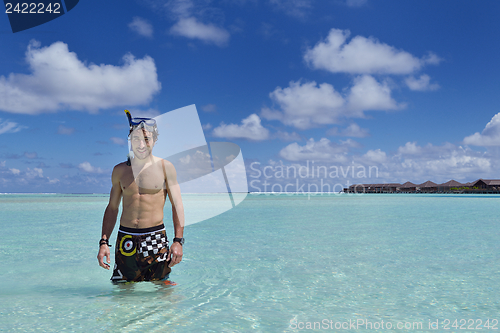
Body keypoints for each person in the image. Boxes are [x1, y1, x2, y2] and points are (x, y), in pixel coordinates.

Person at [97, 112, 185, 283]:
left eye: (146, 138)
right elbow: (112, 208)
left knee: (162, 289)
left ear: (154, 140)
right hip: (126, 239)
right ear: (130, 140)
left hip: (155, 238)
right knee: (122, 292)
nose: (141, 143)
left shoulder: (166, 168)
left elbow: (177, 205)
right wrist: (103, 242)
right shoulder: (119, 171)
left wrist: (178, 241)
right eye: (136, 138)